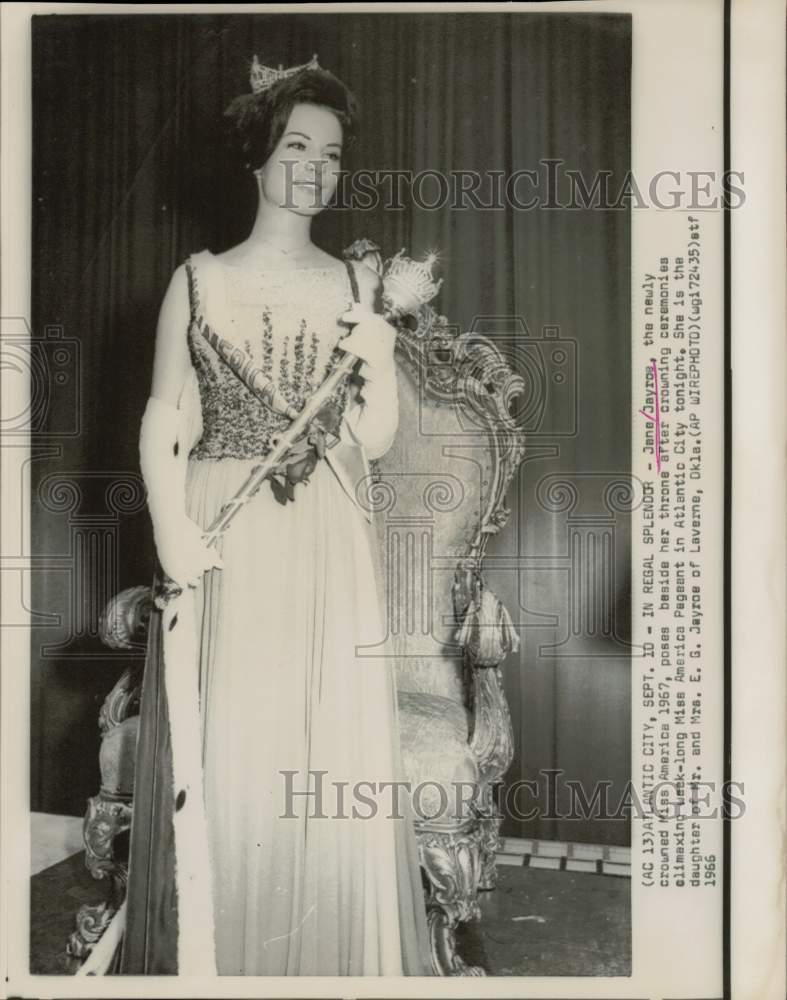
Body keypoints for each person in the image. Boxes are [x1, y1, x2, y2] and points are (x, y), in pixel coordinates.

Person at [120, 58, 433, 976]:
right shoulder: (198, 279)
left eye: (330, 154)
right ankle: (232, 958)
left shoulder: (355, 288)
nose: (314, 167)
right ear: (258, 157)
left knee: (319, 746)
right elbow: (164, 418)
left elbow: (371, 440)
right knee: (240, 748)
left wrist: (378, 355)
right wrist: (171, 527)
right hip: (227, 534)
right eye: (296, 144)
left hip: (329, 536)